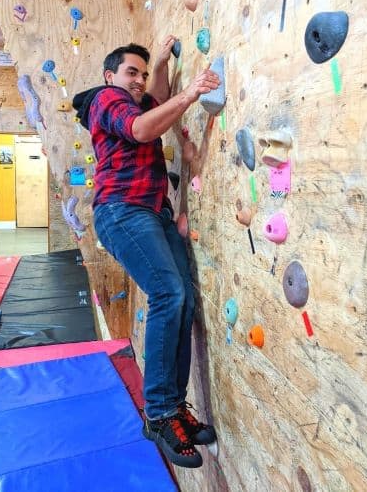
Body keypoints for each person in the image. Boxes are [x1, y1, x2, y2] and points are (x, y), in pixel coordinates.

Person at [72, 37, 220, 469]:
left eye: (139, 74)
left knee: (185, 299)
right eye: (129, 73)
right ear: (110, 77)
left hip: (154, 212)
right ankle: (157, 413)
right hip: (123, 210)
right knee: (168, 293)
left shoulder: (138, 100)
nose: (136, 81)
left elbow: (154, 99)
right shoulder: (105, 100)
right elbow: (141, 129)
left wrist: (157, 64)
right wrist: (191, 91)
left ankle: (173, 409)